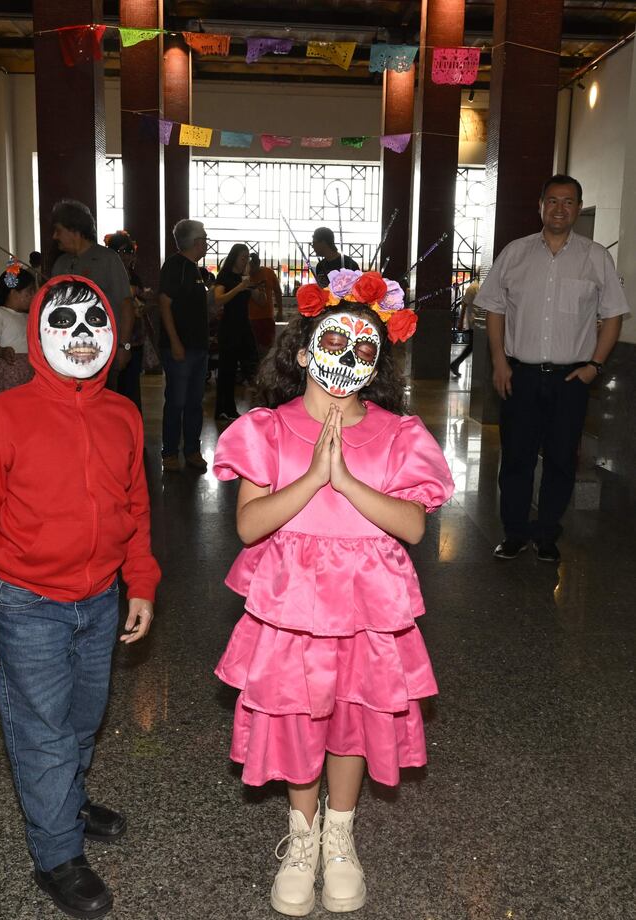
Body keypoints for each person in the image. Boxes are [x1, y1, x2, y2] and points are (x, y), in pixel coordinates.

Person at [212, 268, 454, 916]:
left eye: (364, 350)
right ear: (301, 350)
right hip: (292, 615)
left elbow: (412, 524)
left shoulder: (399, 435)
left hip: (366, 615)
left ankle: (340, 835)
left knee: (350, 720)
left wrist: (348, 482)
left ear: (377, 366)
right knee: (298, 718)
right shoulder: (266, 428)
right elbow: (248, 525)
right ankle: (302, 834)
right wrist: (314, 475)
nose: (347, 358)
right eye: (334, 343)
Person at [0, 276, 160, 920]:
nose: (80, 336)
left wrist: (141, 579)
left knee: (82, 717)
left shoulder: (123, 414)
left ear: (114, 335)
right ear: (40, 331)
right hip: (24, 605)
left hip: (99, 602)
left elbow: (135, 506)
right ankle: (57, 852)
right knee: (42, 732)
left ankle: (65, 799)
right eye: (64, 322)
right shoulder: (4, 416)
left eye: (94, 323)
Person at [477, 174, 628, 563]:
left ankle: (547, 534)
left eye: (569, 202)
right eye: (553, 201)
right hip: (520, 374)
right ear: (540, 205)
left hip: (571, 378)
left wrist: (596, 365)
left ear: (578, 209)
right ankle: (514, 533)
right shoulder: (515, 253)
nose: (560, 208)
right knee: (516, 457)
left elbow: (613, 314)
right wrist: (498, 361)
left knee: (562, 459)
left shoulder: (596, 257)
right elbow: (494, 307)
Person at [50, 199, 135, 391]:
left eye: (59, 230)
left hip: (101, 352)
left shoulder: (107, 259)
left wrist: (124, 347)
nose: (55, 236)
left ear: (74, 230)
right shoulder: (60, 264)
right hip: (67, 352)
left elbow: (126, 305)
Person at [158, 219, 211, 472]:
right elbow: (164, 304)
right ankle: (169, 452)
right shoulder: (175, 266)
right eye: (204, 238)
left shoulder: (194, 269)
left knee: (194, 402)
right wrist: (175, 342)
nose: (207, 243)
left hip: (199, 347)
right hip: (181, 348)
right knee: (176, 401)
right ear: (196, 242)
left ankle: (192, 450)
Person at [213, 244, 259, 422]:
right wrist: (239, 288)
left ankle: (258, 406)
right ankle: (224, 409)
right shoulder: (225, 276)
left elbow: (260, 300)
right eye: (243, 257)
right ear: (234, 258)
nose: (246, 261)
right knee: (227, 370)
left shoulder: (244, 278)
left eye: (247, 258)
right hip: (229, 328)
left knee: (252, 364)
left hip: (244, 326)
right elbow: (218, 299)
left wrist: (254, 289)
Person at [105, 230, 146, 411]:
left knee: (131, 388)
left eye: (128, 252)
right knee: (112, 389)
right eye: (120, 252)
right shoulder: (106, 276)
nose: (125, 256)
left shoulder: (135, 277)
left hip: (133, 341)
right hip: (112, 341)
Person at [0, 260, 35, 395]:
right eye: (29, 292)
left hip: (29, 374)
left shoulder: (28, 317)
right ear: (13, 292)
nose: (33, 296)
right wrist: (1, 351)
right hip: (9, 374)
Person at [248, 252, 284, 352]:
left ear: (258, 263)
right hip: (249, 318)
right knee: (252, 349)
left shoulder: (268, 273)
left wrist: (280, 311)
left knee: (266, 348)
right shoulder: (244, 275)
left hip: (266, 317)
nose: (251, 270)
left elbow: (277, 292)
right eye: (248, 267)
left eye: (252, 267)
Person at [449, 277, 479, 378]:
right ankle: (455, 364)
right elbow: (464, 304)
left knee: (472, 346)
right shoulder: (473, 287)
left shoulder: (477, 287)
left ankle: (455, 364)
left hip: (477, 322)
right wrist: (460, 321)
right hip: (474, 322)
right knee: (472, 346)